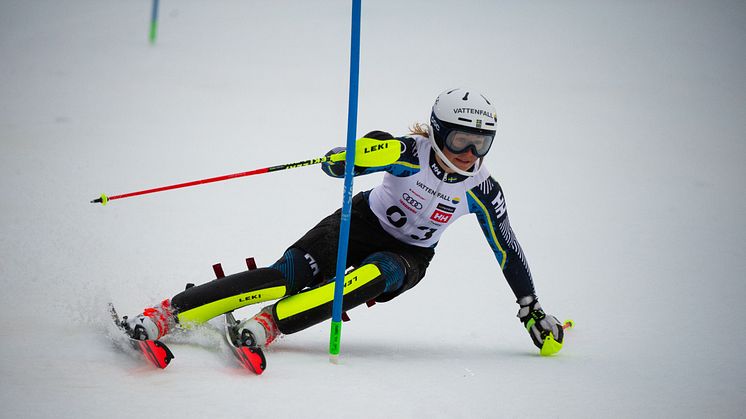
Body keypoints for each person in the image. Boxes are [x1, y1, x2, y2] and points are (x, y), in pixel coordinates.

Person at [121, 87, 565, 355]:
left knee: (373, 275)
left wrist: (531, 308)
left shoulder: (483, 190)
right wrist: (348, 157)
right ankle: (168, 315)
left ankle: (271, 324)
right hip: (357, 223)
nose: (469, 154)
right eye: (460, 140)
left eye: (481, 144)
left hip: (407, 255)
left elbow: (507, 249)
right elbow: (343, 166)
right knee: (285, 277)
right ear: (437, 131)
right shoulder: (411, 152)